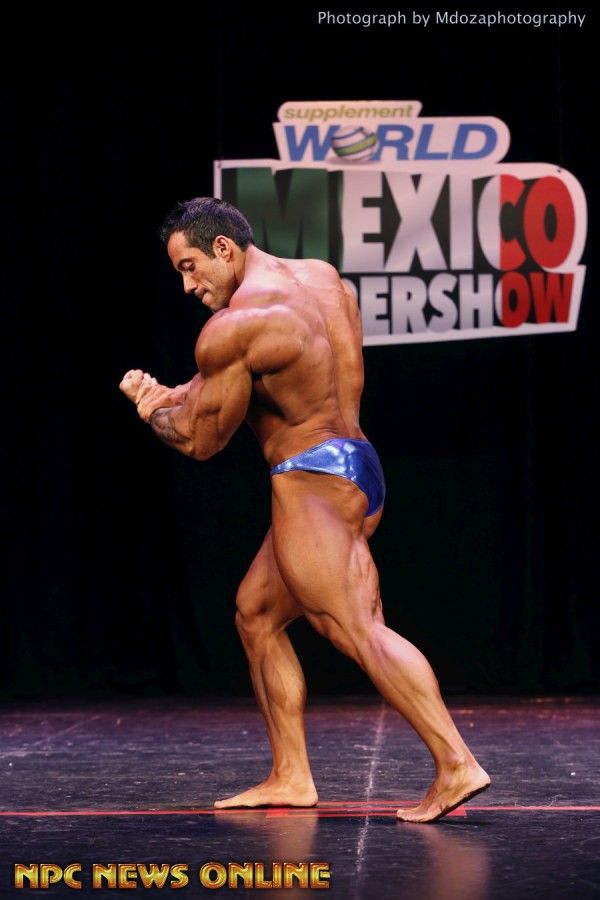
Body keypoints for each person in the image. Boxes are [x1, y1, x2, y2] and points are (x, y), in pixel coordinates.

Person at [119, 197, 490, 823]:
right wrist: (178, 392)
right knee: (256, 614)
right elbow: (259, 375)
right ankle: (291, 774)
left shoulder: (236, 325)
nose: (187, 286)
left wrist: (152, 409)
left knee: (357, 627)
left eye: (189, 268)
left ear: (223, 248)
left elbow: (201, 440)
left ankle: (456, 762)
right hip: (357, 464)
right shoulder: (321, 279)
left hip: (309, 478)